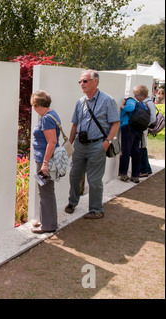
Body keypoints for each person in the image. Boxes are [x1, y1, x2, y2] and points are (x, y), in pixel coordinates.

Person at [65, 70, 120, 219]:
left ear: (95, 81)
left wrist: (107, 142)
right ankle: (72, 202)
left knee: (94, 180)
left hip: (97, 145)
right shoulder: (80, 102)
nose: (82, 84)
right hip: (79, 145)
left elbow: (115, 123)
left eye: (85, 81)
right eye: (80, 81)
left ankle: (96, 209)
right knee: (75, 175)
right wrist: (70, 143)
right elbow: (75, 125)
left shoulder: (107, 100)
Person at [30, 90, 60, 233]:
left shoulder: (47, 118)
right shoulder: (50, 115)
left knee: (46, 191)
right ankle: (45, 221)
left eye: (33, 105)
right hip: (44, 159)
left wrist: (45, 164)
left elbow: (52, 142)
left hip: (45, 160)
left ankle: (48, 226)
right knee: (45, 190)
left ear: (36, 105)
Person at [118, 93, 143, 183]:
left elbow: (130, 108)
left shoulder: (130, 100)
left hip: (128, 128)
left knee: (126, 151)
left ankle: (123, 174)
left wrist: (122, 106)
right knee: (136, 152)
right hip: (137, 128)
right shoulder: (140, 103)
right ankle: (135, 175)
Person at [136, 85, 157, 178]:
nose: (135, 97)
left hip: (143, 128)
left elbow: (152, 118)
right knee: (143, 148)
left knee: (141, 149)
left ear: (142, 95)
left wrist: (144, 124)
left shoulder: (148, 103)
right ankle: (146, 169)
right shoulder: (148, 102)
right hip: (144, 128)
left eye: (136, 95)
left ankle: (143, 170)